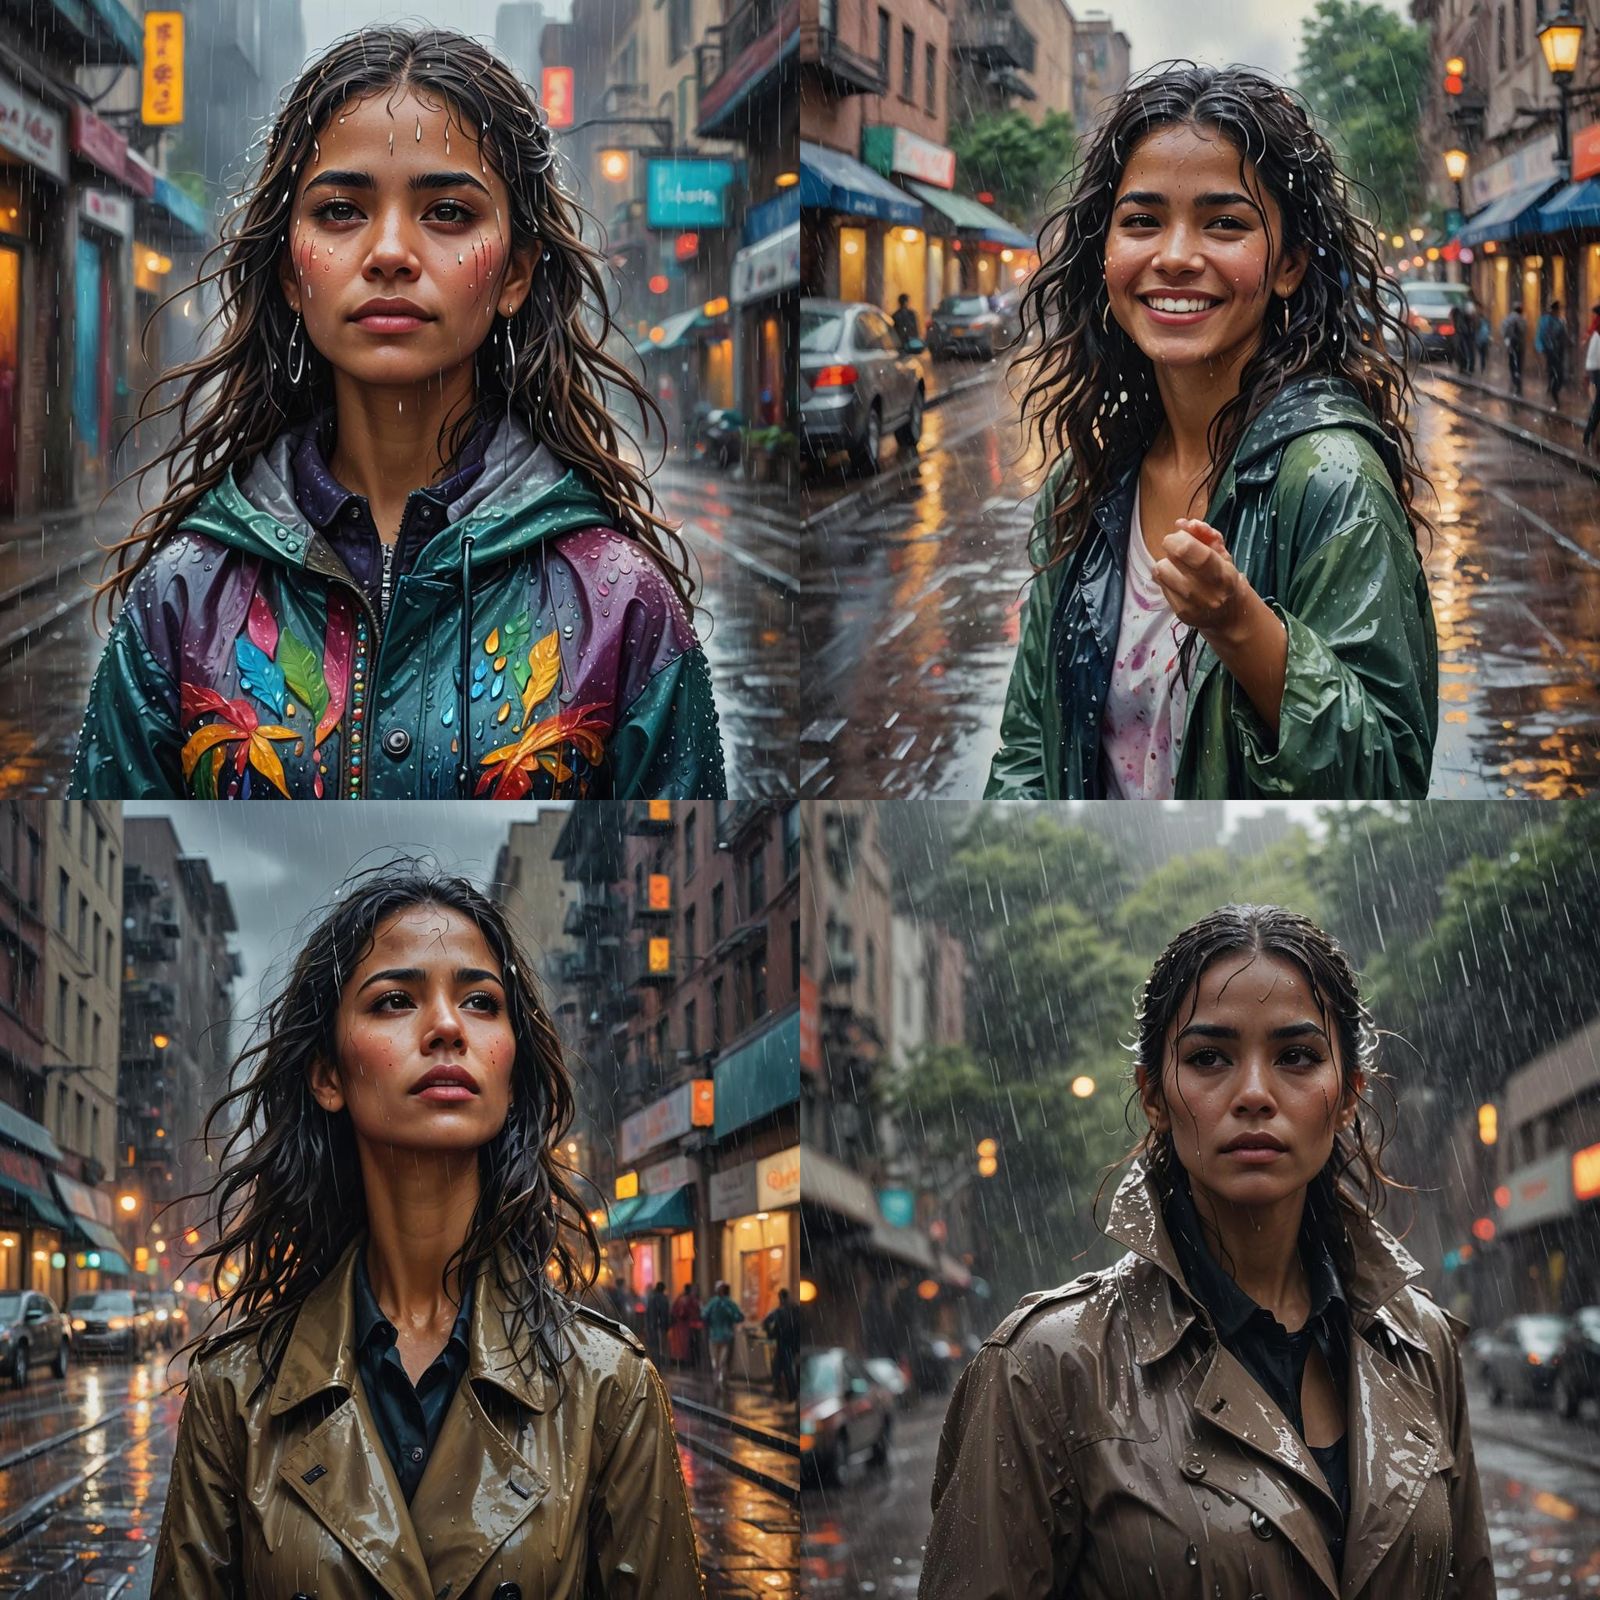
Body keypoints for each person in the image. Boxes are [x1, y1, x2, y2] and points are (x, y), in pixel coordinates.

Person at [70, 26, 725, 801]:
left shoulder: (624, 608)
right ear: (290, 272)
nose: (389, 251)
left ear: (515, 272)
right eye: (340, 210)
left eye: (446, 211)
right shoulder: (181, 598)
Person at [152, 865, 703, 1596]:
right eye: (394, 1000)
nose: (446, 1026)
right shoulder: (234, 1393)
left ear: (511, 1070)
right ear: (328, 1075)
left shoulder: (609, 1387)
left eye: (480, 1001)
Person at [922, 904, 1494, 1600]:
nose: (1253, 1093)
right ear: (1154, 1095)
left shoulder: (1423, 1347)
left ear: (1347, 1095)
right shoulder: (1044, 1368)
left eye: (1296, 1056)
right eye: (1209, 1058)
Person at [988, 65, 1436, 801]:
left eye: (1225, 223)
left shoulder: (1333, 480)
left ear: (1289, 264)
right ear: (1105, 255)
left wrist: (1240, 626)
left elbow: (1387, 776)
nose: (1174, 256)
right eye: (1142, 221)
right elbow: (1027, 753)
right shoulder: (1083, 483)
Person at [703, 1280, 745, 1390]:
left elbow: (704, 1315)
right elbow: (739, 1317)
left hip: (716, 1336)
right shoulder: (729, 1303)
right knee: (722, 1360)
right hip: (725, 1336)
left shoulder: (714, 1302)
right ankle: (721, 1379)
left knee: (717, 1360)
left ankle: (718, 1379)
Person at [763, 1287, 802, 1402]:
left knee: (782, 1368)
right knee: (787, 1368)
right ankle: (791, 1393)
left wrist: (771, 1334)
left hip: (783, 1343)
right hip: (793, 1344)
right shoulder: (795, 1309)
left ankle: (786, 1392)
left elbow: (766, 1322)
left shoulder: (779, 1311)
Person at [1536, 298, 1570, 405]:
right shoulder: (1546, 321)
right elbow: (1541, 335)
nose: (1558, 312)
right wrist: (1542, 349)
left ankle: (1553, 389)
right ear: (1554, 310)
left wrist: (1569, 342)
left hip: (1558, 351)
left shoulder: (1559, 321)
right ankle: (1555, 395)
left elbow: (1563, 335)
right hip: (1551, 351)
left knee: (1556, 372)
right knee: (1556, 372)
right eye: (1558, 310)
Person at [672, 1283, 703, 1368]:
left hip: (683, 1326)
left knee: (684, 1345)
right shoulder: (690, 1300)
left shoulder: (680, 1299)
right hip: (689, 1326)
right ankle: (691, 1362)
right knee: (689, 1345)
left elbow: (676, 1312)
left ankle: (684, 1362)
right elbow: (684, 1313)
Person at [1502, 304, 1528, 396]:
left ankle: (1515, 383)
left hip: (1512, 346)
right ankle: (1518, 387)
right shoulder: (1523, 320)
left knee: (1512, 365)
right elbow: (1525, 332)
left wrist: (1507, 342)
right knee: (1519, 366)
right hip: (1521, 346)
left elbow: (1505, 331)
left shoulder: (1509, 318)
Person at [645, 1280, 672, 1366]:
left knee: (654, 1347)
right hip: (661, 1326)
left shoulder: (652, 1298)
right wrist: (666, 1326)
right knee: (662, 1346)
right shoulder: (663, 1299)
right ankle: (662, 1363)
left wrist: (648, 1326)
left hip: (653, 1326)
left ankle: (656, 1363)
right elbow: (665, 1314)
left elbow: (648, 1313)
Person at [1584, 313, 1600, 452]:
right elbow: (1592, 358)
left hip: (1596, 371)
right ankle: (1588, 435)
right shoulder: (1597, 336)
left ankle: (1588, 435)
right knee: (1597, 407)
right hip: (1598, 372)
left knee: (1597, 407)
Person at [1452, 295, 1476, 375]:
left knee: (1464, 350)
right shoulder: (1460, 310)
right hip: (1464, 333)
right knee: (1464, 350)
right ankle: (1466, 367)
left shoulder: (1459, 310)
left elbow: (1457, 321)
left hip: (1464, 333)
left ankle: (1466, 367)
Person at [1474, 298, 1490, 373]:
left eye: (1479, 308)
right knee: (1481, 354)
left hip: (1483, 338)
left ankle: (1483, 368)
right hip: (1478, 338)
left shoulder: (1484, 318)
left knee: (1483, 354)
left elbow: (1488, 327)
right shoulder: (1476, 318)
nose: (1478, 310)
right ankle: (1481, 368)